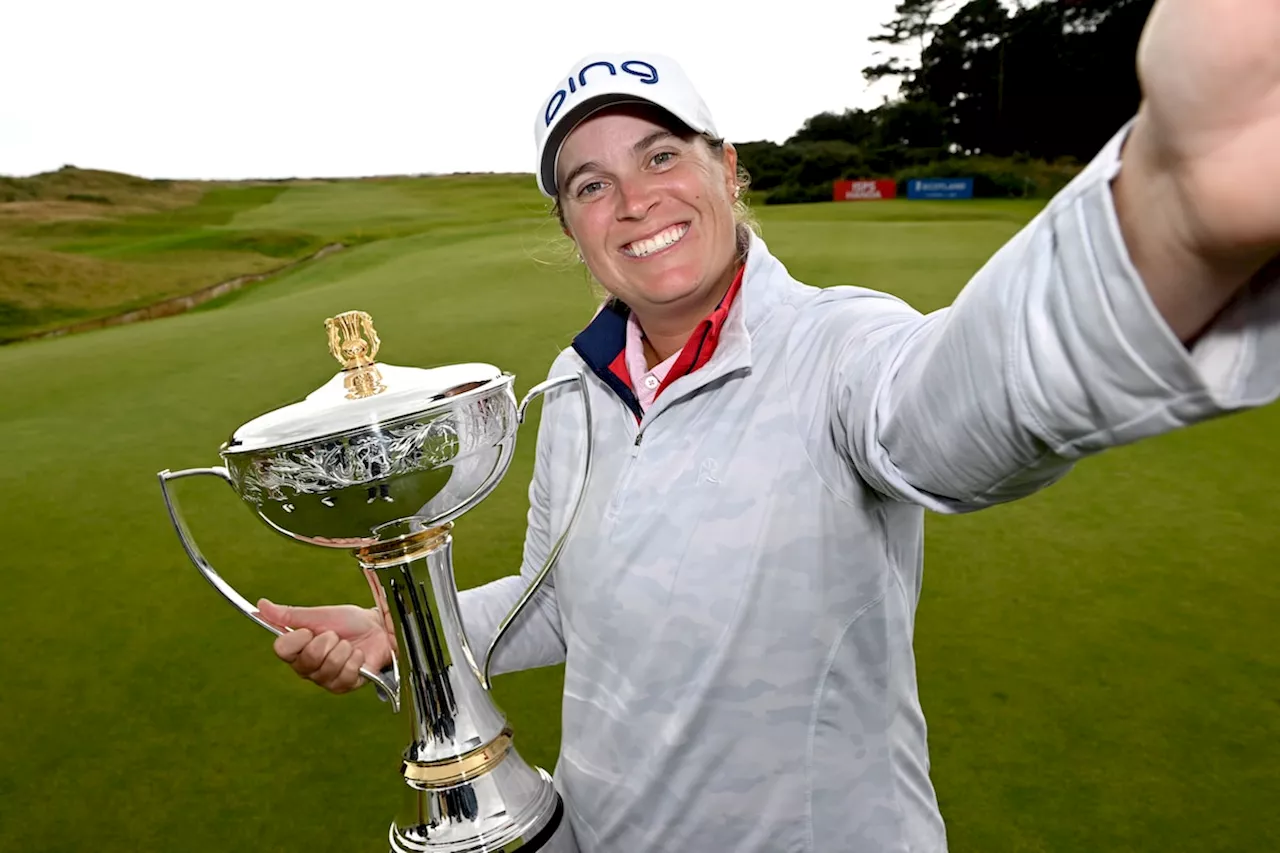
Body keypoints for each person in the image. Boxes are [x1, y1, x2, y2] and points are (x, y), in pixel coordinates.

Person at [257, 2, 1280, 850]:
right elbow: (565, 603)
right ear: (569, 227)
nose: (632, 200)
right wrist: (410, 635)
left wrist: (1166, 221)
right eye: (589, 183)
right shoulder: (571, 390)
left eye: (659, 154)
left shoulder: (836, 347)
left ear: (726, 168)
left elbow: (957, 410)